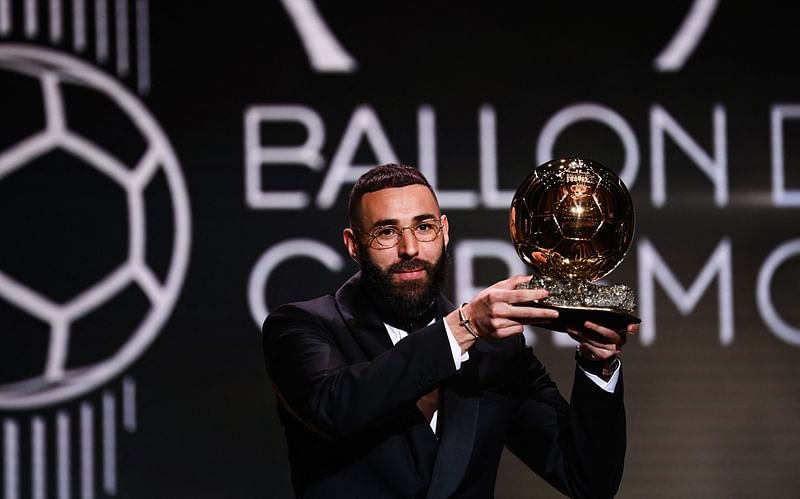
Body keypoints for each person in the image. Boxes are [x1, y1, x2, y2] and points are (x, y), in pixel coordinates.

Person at [262, 163, 637, 499]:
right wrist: (465, 326)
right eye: (386, 232)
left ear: (444, 231)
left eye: (424, 227)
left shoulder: (498, 353)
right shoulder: (303, 326)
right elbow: (336, 408)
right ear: (353, 245)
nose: (410, 248)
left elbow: (588, 481)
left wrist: (597, 364)